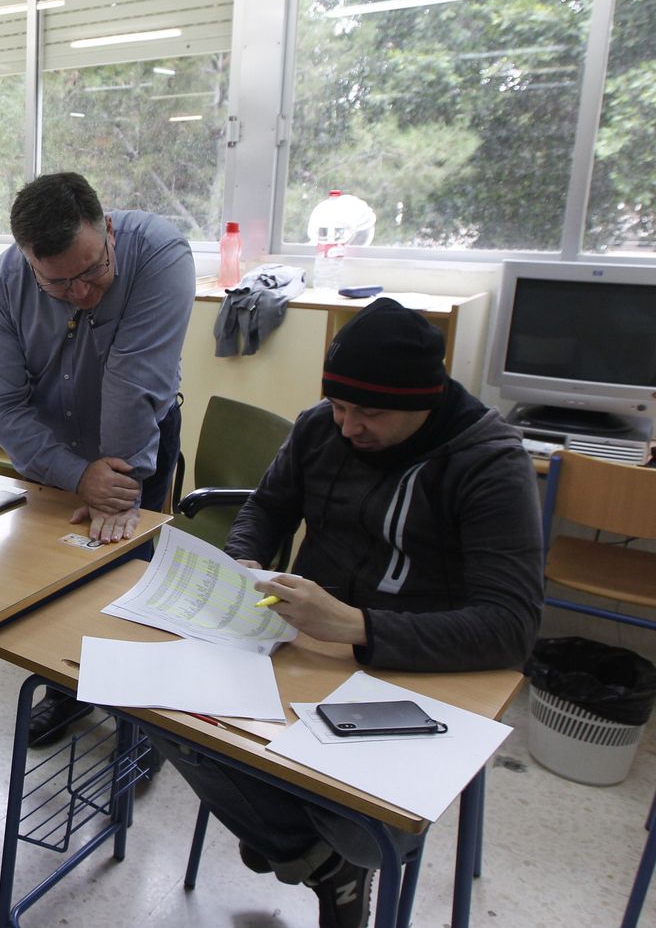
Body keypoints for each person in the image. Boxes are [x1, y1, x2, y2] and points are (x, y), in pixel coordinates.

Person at [155, 298, 544, 928]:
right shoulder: (319, 427)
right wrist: (245, 559)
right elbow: (265, 509)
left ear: (427, 401)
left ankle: (307, 847)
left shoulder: (489, 463)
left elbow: (511, 628)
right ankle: (317, 861)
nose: (347, 427)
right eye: (338, 405)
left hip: (414, 674)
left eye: (370, 413)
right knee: (158, 709)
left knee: (363, 833)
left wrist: (357, 626)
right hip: (300, 648)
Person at [0, 171, 195, 746]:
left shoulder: (161, 255)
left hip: (137, 442)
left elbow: (133, 379)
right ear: (29, 261)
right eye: (58, 283)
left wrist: (114, 485)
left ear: (109, 231)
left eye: (94, 271)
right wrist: (76, 475)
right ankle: (66, 690)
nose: (82, 293)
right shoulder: (3, 283)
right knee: (58, 583)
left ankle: (144, 724)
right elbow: (0, 403)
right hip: (50, 451)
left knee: (130, 583)